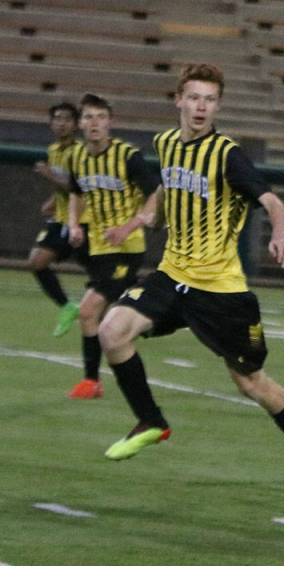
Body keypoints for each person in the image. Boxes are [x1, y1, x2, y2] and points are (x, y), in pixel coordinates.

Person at [95, 64, 284, 498]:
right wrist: (146, 216)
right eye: (194, 97)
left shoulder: (228, 155)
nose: (201, 106)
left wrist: (280, 233)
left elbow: (271, 201)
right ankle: (151, 420)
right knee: (112, 331)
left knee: (250, 383)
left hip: (221, 291)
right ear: (179, 101)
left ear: (217, 105)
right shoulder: (165, 144)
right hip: (172, 275)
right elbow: (168, 187)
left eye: (209, 99)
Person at [64, 94, 157, 399]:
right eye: (89, 117)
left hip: (127, 247)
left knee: (89, 310)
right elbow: (76, 194)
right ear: (80, 123)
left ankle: (91, 381)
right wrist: (74, 224)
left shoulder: (128, 156)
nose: (95, 123)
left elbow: (155, 194)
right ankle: (149, 307)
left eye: (101, 117)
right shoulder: (76, 157)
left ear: (110, 122)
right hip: (100, 248)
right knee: (105, 315)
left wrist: (129, 226)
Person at [29, 102, 89, 337]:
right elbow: (64, 187)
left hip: (84, 220)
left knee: (106, 274)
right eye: (57, 118)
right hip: (63, 219)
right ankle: (67, 306)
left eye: (67, 119)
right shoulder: (54, 149)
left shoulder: (81, 152)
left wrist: (49, 176)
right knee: (37, 261)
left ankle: (138, 308)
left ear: (76, 125)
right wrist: (53, 201)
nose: (61, 123)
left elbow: (78, 187)